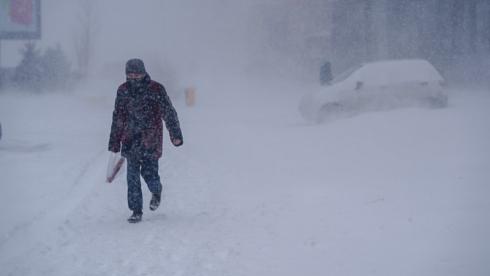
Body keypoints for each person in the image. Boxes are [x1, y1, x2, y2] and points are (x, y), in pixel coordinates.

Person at [108, 58, 183, 223]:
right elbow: (118, 117)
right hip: (130, 139)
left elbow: (169, 113)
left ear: (143, 73)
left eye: (137, 74)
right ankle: (136, 211)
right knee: (132, 178)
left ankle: (156, 190)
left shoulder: (156, 89)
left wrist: (175, 135)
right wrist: (114, 142)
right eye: (130, 74)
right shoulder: (123, 90)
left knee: (149, 174)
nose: (133, 77)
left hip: (151, 139)